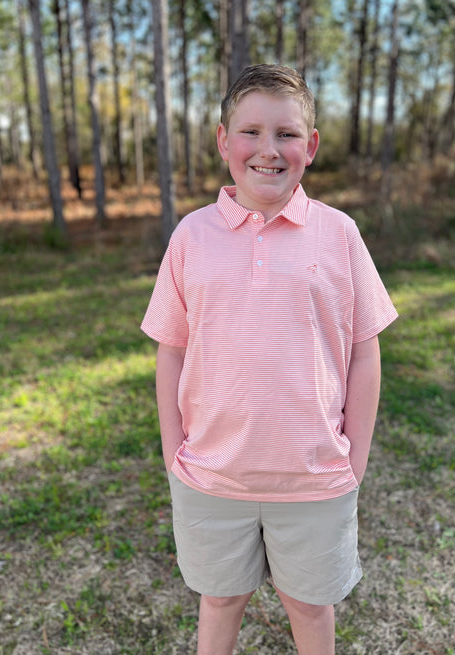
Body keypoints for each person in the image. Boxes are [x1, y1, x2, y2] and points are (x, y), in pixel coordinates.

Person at [141, 64, 398, 655]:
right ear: (223, 141)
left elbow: (365, 349)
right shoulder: (191, 236)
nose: (268, 150)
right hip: (211, 474)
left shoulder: (339, 234)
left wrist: (353, 459)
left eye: (286, 134)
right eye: (251, 131)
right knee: (221, 599)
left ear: (309, 146)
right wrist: (172, 449)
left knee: (309, 607)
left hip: (313, 477)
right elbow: (172, 350)